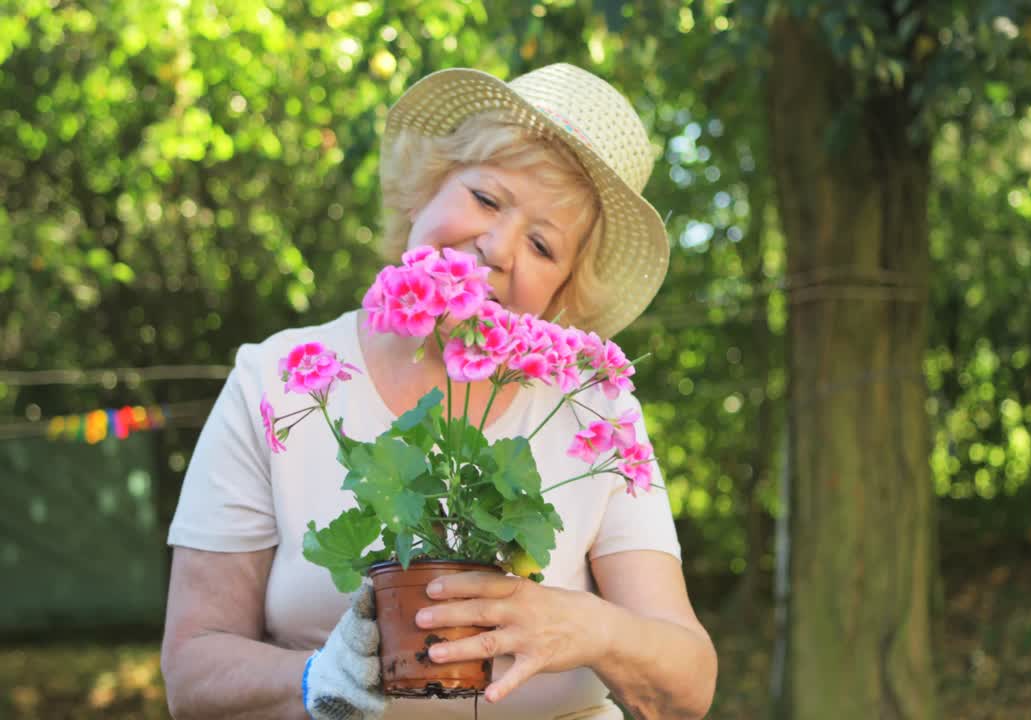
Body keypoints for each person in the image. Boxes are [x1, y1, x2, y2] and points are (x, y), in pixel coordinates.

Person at [160, 63, 718, 719]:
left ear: (564, 292)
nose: (498, 246)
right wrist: (319, 680)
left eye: (543, 244)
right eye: (486, 199)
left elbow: (687, 688)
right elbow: (192, 671)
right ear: (424, 189)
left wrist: (588, 626)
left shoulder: (594, 407)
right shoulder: (279, 377)